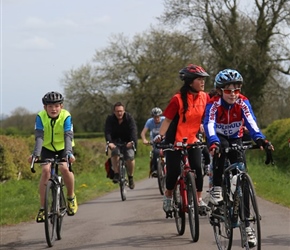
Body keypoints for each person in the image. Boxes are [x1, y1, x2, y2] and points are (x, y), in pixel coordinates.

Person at [203, 69, 274, 247]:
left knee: (242, 176)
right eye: (228, 90)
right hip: (218, 137)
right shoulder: (213, 105)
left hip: (237, 136)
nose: (233, 94)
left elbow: (251, 123)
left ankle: (247, 226)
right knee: (222, 150)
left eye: (236, 89)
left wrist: (261, 140)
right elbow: (209, 124)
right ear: (220, 91)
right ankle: (217, 188)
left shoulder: (243, 102)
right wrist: (213, 142)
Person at [154, 63, 210, 213]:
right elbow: (167, 120)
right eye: (199, 79)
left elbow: (207, 117)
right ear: (190, 82)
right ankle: (168, 195)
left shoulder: (205, 97)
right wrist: (161, 136)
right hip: (174, 139)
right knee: (172, 171)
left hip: (192, 138)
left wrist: (204, 128)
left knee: (198, 168)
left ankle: (198, 199)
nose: (203, 82)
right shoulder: (177, 99)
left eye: (203, 79)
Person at [28, 91, 78, 223]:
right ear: (45, 107)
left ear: (61, 106)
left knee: (65, 168)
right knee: (45, 171)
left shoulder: (66, 116)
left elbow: (68, 135)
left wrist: (68, 153)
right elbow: (39, 136)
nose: (53, 109)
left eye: (56, 106)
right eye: (50, 106)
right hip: (47, 148)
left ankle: (71, 197)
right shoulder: (40, 116)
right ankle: (43, 208)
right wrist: (36, 154)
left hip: (63, 148)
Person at [104, 102, 138, 189]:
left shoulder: (129, 118)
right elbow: (107, 131)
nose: (119, 113)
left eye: (121, 111)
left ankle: (130, 177)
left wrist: (132, 141)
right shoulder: (110, 119)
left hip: (128, 142)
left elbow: (133, 130)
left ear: (124, 111)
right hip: (115, 141)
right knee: (115, 152)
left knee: (130, 156)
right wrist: (109, 142)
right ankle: (116, 173)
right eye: (117, 111)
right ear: (114, 112)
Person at [140, 107, 165, 177]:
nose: (156, 119)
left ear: (160, 116)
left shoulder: (164, 120)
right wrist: (144, 140)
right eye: (155, 117)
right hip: (155, 141)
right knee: (156, 152)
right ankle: (155, 170)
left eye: (158, 117)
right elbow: (143, 133)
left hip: (165, 139)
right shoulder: (149, 122)